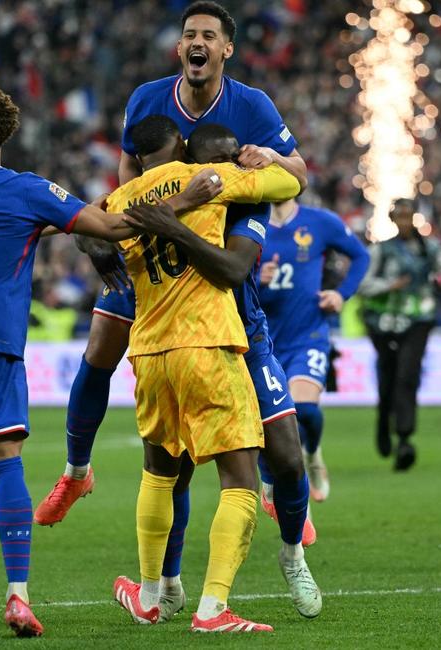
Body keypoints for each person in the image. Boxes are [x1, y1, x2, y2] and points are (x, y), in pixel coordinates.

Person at [34, 0, 308, 526]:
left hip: (214, 243)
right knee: (100, 348)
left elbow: (299, 172)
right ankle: (75, 471)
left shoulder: (252, 105)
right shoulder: (146, 99)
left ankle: (277, 481)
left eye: (208, 34)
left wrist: (271, 157)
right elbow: (127, 173)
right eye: (189, 35)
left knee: (242, 358)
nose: (196, 42)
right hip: (149, 239)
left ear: (226, 48)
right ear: (181, 46)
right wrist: (107, 233)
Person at [0, 83, 166, 637]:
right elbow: (112, 227)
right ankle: (18, 596)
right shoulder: (25, 192)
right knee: (6, 468)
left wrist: (57, 221)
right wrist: (177, 202)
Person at [107, 115, 300, 633]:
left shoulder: (121, 200)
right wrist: (261, 161)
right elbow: (291, 184)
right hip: (206, 342)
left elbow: (91, 234)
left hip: (147, 351)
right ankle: (214, 608)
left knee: (159, 473)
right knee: (240, 478)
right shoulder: (207, 179)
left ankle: (149, 596)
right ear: (181, 145)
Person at [258, 199, 370, 501]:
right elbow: (228, 274)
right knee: (264, 422)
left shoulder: (320, 222)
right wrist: (257, 279)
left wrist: (341, 294)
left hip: (309, 335)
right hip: (262, 341)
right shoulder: (249, 223)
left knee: (303, 410)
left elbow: (361, 256)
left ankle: (311, 454)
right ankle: (274, 478)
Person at [358, 199, 441, 471]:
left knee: (407, 375)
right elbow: (363, 284)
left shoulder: (430, 248)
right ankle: (383, 423)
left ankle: (404, 437)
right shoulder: (381, 250)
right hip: (383, 322)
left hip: (418, 320)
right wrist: (390, 285)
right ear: (391, 219)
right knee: (388, 376)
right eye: (398, 215)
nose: (403, 220)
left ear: (414, 218)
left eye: (407, 215)